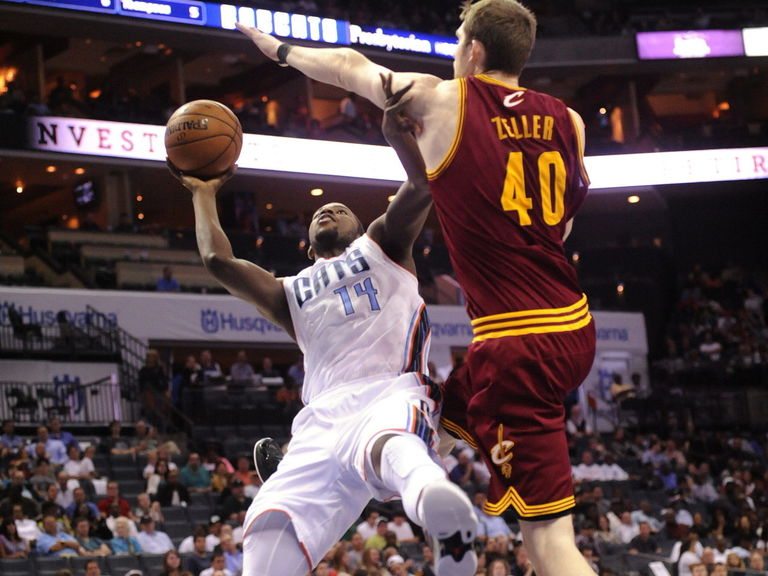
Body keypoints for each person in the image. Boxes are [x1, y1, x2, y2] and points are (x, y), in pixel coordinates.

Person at [237, 3, 595, 575]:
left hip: (516, 342)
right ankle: (388, 473)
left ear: (473, 50)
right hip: (569, 321)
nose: (456, 51)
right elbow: (564, 226)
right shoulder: (569, 121)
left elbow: (349, 67)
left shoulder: (441, 99)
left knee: (548, 542)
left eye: (458, 41)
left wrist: (277, 49)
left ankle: (396, 494)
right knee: (439, 418)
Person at [169, 78, 477, 576]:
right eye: (318, 214)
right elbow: (216, 259)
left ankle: (444, 518)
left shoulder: (383, 247)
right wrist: (204, 192)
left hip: (390, 391)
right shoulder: (289, 292)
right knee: (268, 523)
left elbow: (421, 187)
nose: (328, 208)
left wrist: (397, 135)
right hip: (319, 420)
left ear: (361, 226)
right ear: (308, 248)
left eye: (339, 209)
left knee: (392, 445)